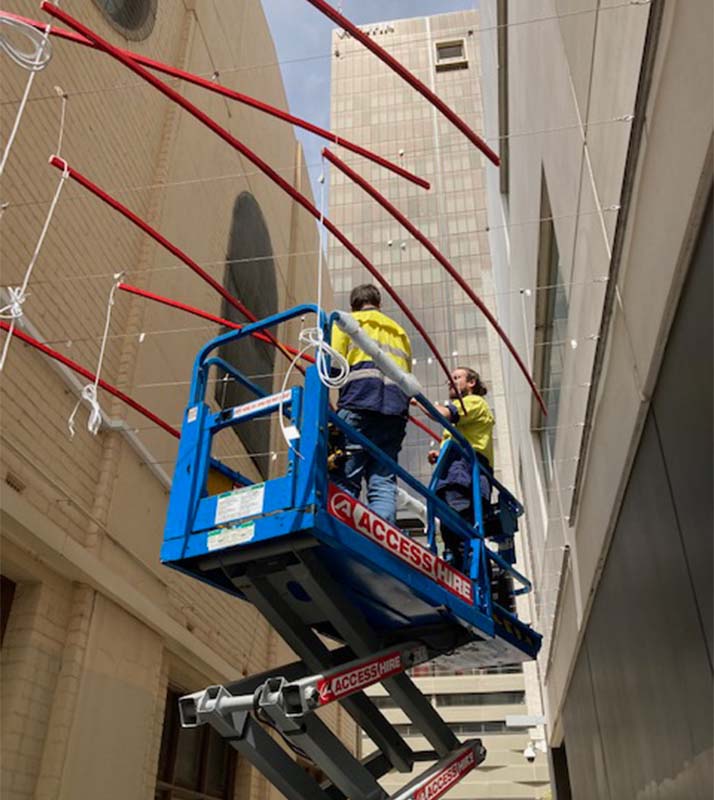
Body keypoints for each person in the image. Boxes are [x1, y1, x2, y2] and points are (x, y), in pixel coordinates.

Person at [330, 284, 412, 524]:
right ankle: (382, 536)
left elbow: (332, 368)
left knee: (346, 476)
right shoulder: (399, 331)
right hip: (395, 412)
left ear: (352, 305)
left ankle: (343, 529)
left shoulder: (345, 322)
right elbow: (407, 377)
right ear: (379, 304)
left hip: (358, 402)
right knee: (383, 481)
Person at [424, 367, 495, 570]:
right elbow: (466, 440)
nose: (451, 382)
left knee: (459, 527)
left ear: (471, 382)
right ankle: (462, 568)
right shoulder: (466, 417)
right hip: (458, 473)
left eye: (456, 378)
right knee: (452, 532)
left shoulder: (473, 402)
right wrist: (441, 455)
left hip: (464, 475)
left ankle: (469, 573)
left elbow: (444, 414)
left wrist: (418, 399)